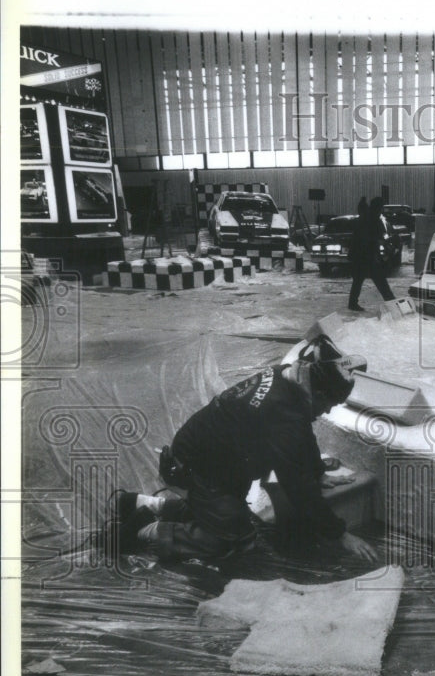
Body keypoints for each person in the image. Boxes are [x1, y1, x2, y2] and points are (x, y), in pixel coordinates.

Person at [101, 335, 378, 563]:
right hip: (195, 469)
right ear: (317, 393)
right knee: (236, 538)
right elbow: (297, 486)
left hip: (211, 464)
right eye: (329, 403)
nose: (328, 410)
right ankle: (141, 530)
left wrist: (318, 472)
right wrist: (339, 534)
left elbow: (303, 432)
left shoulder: (289, 378)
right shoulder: (283, 414)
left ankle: (145, 505)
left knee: (226, 512)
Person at [347, 196, 395, 311]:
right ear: (378, 207)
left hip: (360, 256)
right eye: (381, 207)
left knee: (358, 280)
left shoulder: (365, 216)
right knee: (380, 280)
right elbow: (375, 236)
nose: (382, 210)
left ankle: (352, 303)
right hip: (367, 256)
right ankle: (392, 302)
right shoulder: (373, 218)